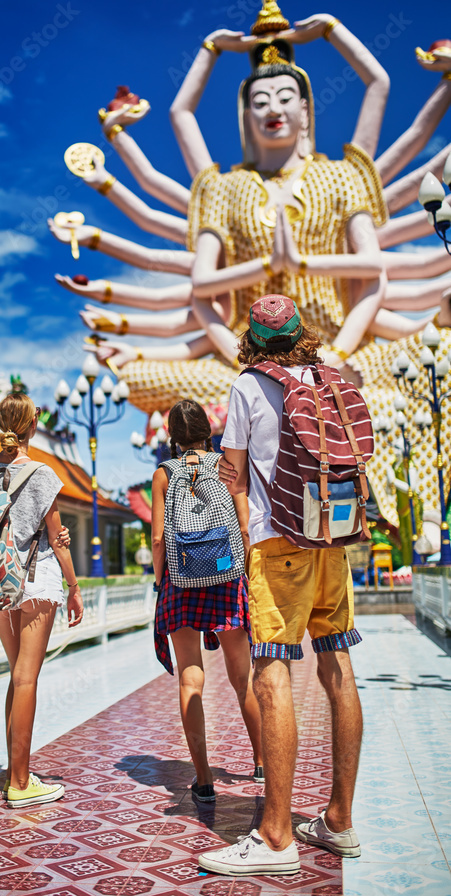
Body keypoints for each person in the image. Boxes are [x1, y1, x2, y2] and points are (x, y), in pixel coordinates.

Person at [198, 295, 363, 877]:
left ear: (252, 340)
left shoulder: (247, 387)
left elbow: (233, 475)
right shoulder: (329, 377)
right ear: (300, 334)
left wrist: (243, 546)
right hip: (332, 537)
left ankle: (275, 836)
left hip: (278, 545)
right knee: (338, 667)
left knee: (272, 676)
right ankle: (338, 820)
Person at [0, 392, 84, 808]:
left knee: (16, 674)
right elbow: (56, 538)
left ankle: (14, 772)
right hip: (35, 580)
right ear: (32, 424)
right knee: (27, 677)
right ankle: (20, 783)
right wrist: (74, 586)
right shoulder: (41, 472)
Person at [151, 399, 262, 802]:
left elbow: (160, 538)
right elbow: (245, 526)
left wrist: (161, 582)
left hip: (180, 580)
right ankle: (262, 760)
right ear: (207, 431)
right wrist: (246, 572)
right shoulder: (226, 466)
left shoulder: (164, 474)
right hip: (227, 574)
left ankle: (203, 778)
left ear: (173, 438)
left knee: (190, 676)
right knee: (242, 674)